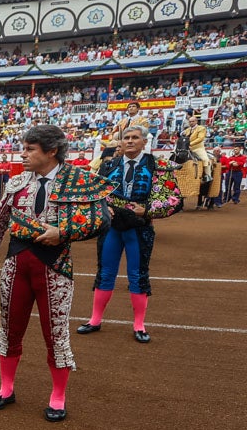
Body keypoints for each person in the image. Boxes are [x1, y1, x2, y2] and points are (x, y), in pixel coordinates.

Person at [0, 124, 110, 422]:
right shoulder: (17, 183)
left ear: (51, 151)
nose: (23, 154)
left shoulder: (76, 180)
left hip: (55, 267)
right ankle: (6, 388)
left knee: (56, 333)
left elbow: (101, 220)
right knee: (10, 329)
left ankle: (58, 396)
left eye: (30, 149)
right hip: (16, 264)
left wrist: (63, 231)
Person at [77, 126, 182, 343]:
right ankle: (95, 320)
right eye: (126, 138)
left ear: (144, 142)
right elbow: (94, 195)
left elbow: (174, 198)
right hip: (112, 227)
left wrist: (149, 210)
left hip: (139, 227)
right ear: (120, 143)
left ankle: (139, 324)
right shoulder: (108, 166)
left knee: (137, 274)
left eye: (135, 138)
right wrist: (104, 209)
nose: (130, 141)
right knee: (105, 272)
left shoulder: (157, 165)